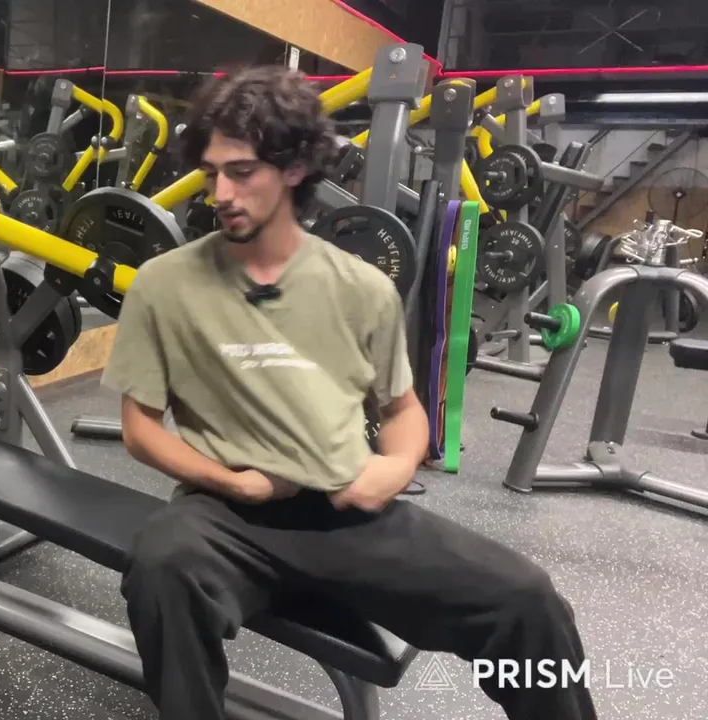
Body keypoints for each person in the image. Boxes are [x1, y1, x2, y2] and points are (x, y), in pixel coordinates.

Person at [100, 66, 596, 720]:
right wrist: (233, 484)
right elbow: (140, 429)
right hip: (224, 519)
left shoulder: (362, 287)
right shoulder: (164, 285)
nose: (221, 192)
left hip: (346, 512)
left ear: (295, 169)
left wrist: (395, 466)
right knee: (161, 564)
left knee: (528, 601)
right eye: (213, 172)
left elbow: (402, 411)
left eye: (241, 172)